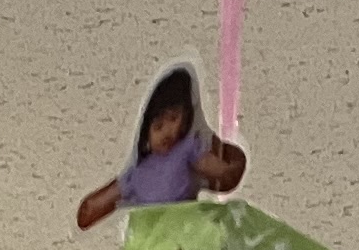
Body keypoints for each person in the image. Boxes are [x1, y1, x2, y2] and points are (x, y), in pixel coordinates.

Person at [76, 66, 246, 232]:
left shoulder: (186, 148)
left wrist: (226, 154)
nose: (167, 131)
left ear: (185, 117)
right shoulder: (136, 174)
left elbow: (224, 174)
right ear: (145, 134)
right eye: (158, 126)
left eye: (173, 118)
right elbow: (95, 206)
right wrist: (88, 211)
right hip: (149, 239)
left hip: (181, 231)